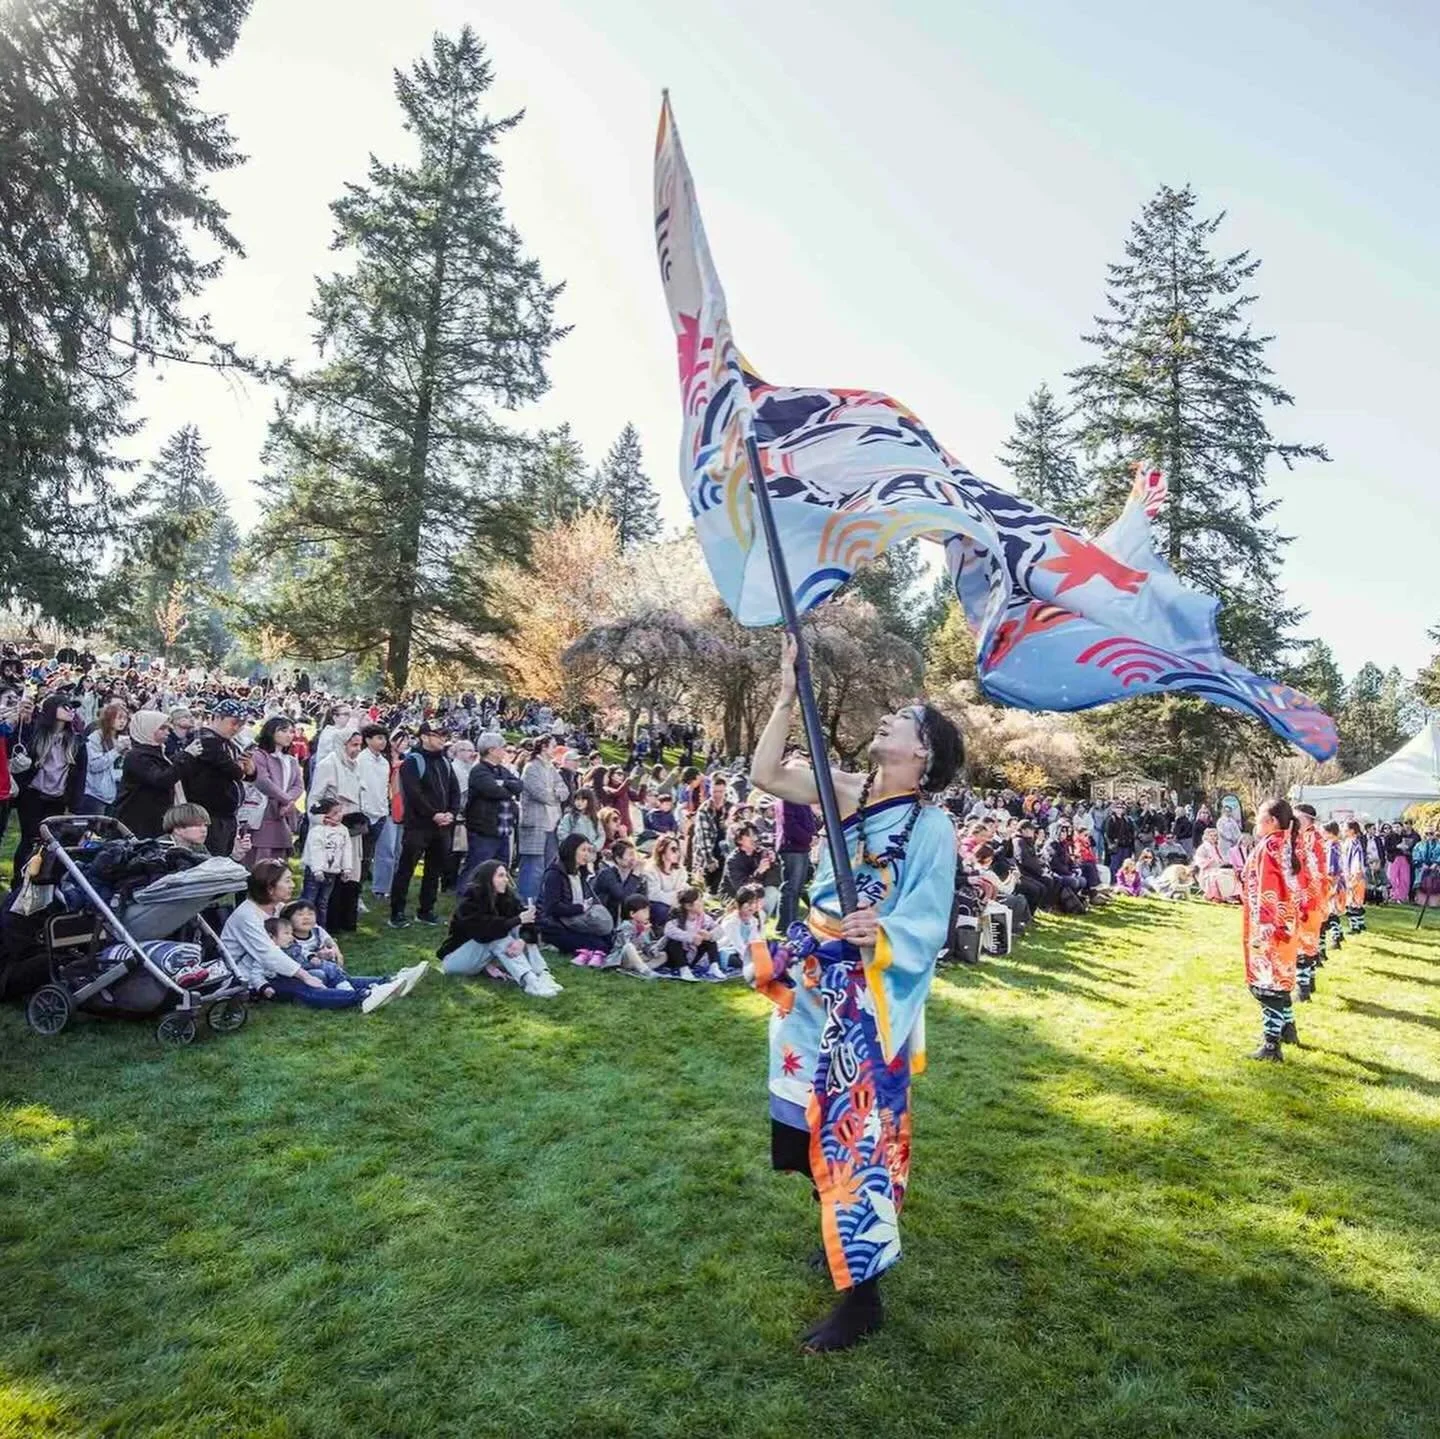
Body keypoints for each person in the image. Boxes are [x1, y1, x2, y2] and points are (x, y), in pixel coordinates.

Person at [749, 633, 961, 1352]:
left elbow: (929, 917)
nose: (887, 720)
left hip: (866, 996)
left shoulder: (934, 826)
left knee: (854, 1135)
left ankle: (862, 1297)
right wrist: (784, 695)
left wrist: (885, 933)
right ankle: (833, 1228)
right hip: (811, 982)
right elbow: (767, 771)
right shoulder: (848, 789)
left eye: (903, 718)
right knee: (803, 1127)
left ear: (924, 751)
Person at [437, 860, 562, 998]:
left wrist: (522, 940)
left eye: (506, 875)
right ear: (488, 878)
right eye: (500, 876)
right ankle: (530, 981)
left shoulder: (506, 897)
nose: (506, 880)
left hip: (483, 954)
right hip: (456, 959)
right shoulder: (470, 900)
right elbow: (484, 933)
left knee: (519, 927)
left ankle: (543, 974)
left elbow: (529, 924)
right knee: (499, 935)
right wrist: (518, 920)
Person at [1241, 798, 1302, 1061]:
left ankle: (1270, 1045)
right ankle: (1287, 1029)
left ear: (1273, 821)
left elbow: (1269, 885)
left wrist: (1266, 921)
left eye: (1259, 817)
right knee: (1281, 977)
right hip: (1286, 922)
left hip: (1271, 924)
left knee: (1268, 983)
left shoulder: (1271, 847)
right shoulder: (1287, 843)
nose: (1256, 823)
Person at [10, 693, 87, 882]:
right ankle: (19, 882)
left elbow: (79, 779)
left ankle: (41, 882)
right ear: (52, 709)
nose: (71, 711)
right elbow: (16, 747)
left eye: (72, 707)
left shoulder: (76, 743)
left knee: (51, 843)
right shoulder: (36, 735)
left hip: (58, 799)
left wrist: (74, 808)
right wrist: (23, 719)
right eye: (65, 707)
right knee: (30, 839)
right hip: (33, 796)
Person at [182, 698, 253, 859]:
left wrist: (248, 768)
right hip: (208, 814)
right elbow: (233, 770)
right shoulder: (206, 739)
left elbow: (246, 771)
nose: (237, 728)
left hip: (226, 815)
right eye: (233, 723)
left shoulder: (229, 743)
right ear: (217, 717)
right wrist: (241, 769)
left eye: (241, 724)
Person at [457, 731, 521, 892]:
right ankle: (465, 901)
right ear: (491, 750)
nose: (505, 751)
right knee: (476, 867)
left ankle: (492, 902)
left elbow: (519, 785)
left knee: (500, 869)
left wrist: (503, 783)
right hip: (484, 830)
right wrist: (507, 788)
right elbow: (493, 791)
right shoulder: (479, 771)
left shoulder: (501, 770)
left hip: (502, 829)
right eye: (502, 747)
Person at [114, 710, 191, 839]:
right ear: (148, 729)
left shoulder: (159, 751)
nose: (167, 732)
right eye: (162, 728)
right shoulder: (137, 756)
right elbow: (161, 779)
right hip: (137, 820)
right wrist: (185, 757)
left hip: (156, 818)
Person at [537, 833, 615, 954]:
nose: (586, 854)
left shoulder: (581, 873)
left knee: (610, 940)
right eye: (583, 850)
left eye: (588, 851)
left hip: (577, 920)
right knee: (600, 946)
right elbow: (552, 908)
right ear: (572, 850)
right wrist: (581, 908)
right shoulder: (555, 874)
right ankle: (552, 943)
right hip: (556, 925)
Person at [517, 735, 566, 903]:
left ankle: (540, 906)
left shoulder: (551, 768)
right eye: (553, 746)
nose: (555, 749)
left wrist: (556, 793)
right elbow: (542, 795)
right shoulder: (531, 767)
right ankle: (525, 906)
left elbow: (565, 791)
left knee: (548, 868)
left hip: (552, 825)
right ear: (544, 747)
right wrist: (556, 793)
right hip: (535, 825)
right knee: (532, 869)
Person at [249, 716, 304, 865]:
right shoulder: (259, 755)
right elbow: (262, 781)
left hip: (283, 816)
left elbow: (298, 786)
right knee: (260, 861)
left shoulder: (291, 760)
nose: (289, 735)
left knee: (279, 862)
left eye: (291, 731)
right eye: (283, 730)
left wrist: (288, 802)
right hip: (262, 815)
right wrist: (287, 800)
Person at [660, 886, 723, 981]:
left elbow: (720, 930)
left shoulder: (703, 918)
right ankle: (683, 969)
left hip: (693, 956)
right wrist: (691, 938)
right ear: (688, 906)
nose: (702, 902)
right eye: (699, 900)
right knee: (673, 941)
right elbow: (669, 930)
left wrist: (709, 935)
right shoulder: (677, 919)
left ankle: (714, 966)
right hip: (676, 958)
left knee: (711, 940)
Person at [80, 700, 129, 815]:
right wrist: (116, 751)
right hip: (97, 793)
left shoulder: (123, 738)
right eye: (119, 718)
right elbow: (94, 765)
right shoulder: (96, 737)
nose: (122, 722)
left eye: (125, 718)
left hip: (116, 789)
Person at [604, 893, 666, 977]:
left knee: (663, 955)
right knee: (629, 947)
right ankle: (644, 970)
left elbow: (645, 945)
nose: (647, 914)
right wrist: (639, 932)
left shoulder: (645, 926)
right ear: (632, 914)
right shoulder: (626, 926)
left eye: (648, 911)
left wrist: (654, 947)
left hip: (640, 957)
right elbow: (627, 945)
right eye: (644, 911)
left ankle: (642, 968)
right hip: (624, 958)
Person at [594, 838, 648, 921]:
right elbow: (622, 896)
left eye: (634, 854)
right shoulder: (607, 873)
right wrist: (635, 875)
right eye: (630, 854)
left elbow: (643, 899)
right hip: (604, 917)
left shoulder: (636, 874)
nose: (633, 858)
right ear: (618, 859)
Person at [1342, 820, 1368, 933]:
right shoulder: (1349, 841)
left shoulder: (1354, 843)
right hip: (1349, 874)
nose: (1343, 829)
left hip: (1354, 875)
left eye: (1345, 827)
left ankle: (1355, 926)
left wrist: (1355, 874)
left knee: (1353, 901)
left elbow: (1357, 860)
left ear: (1352, 830)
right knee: (1355, 901)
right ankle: (1360, 924)